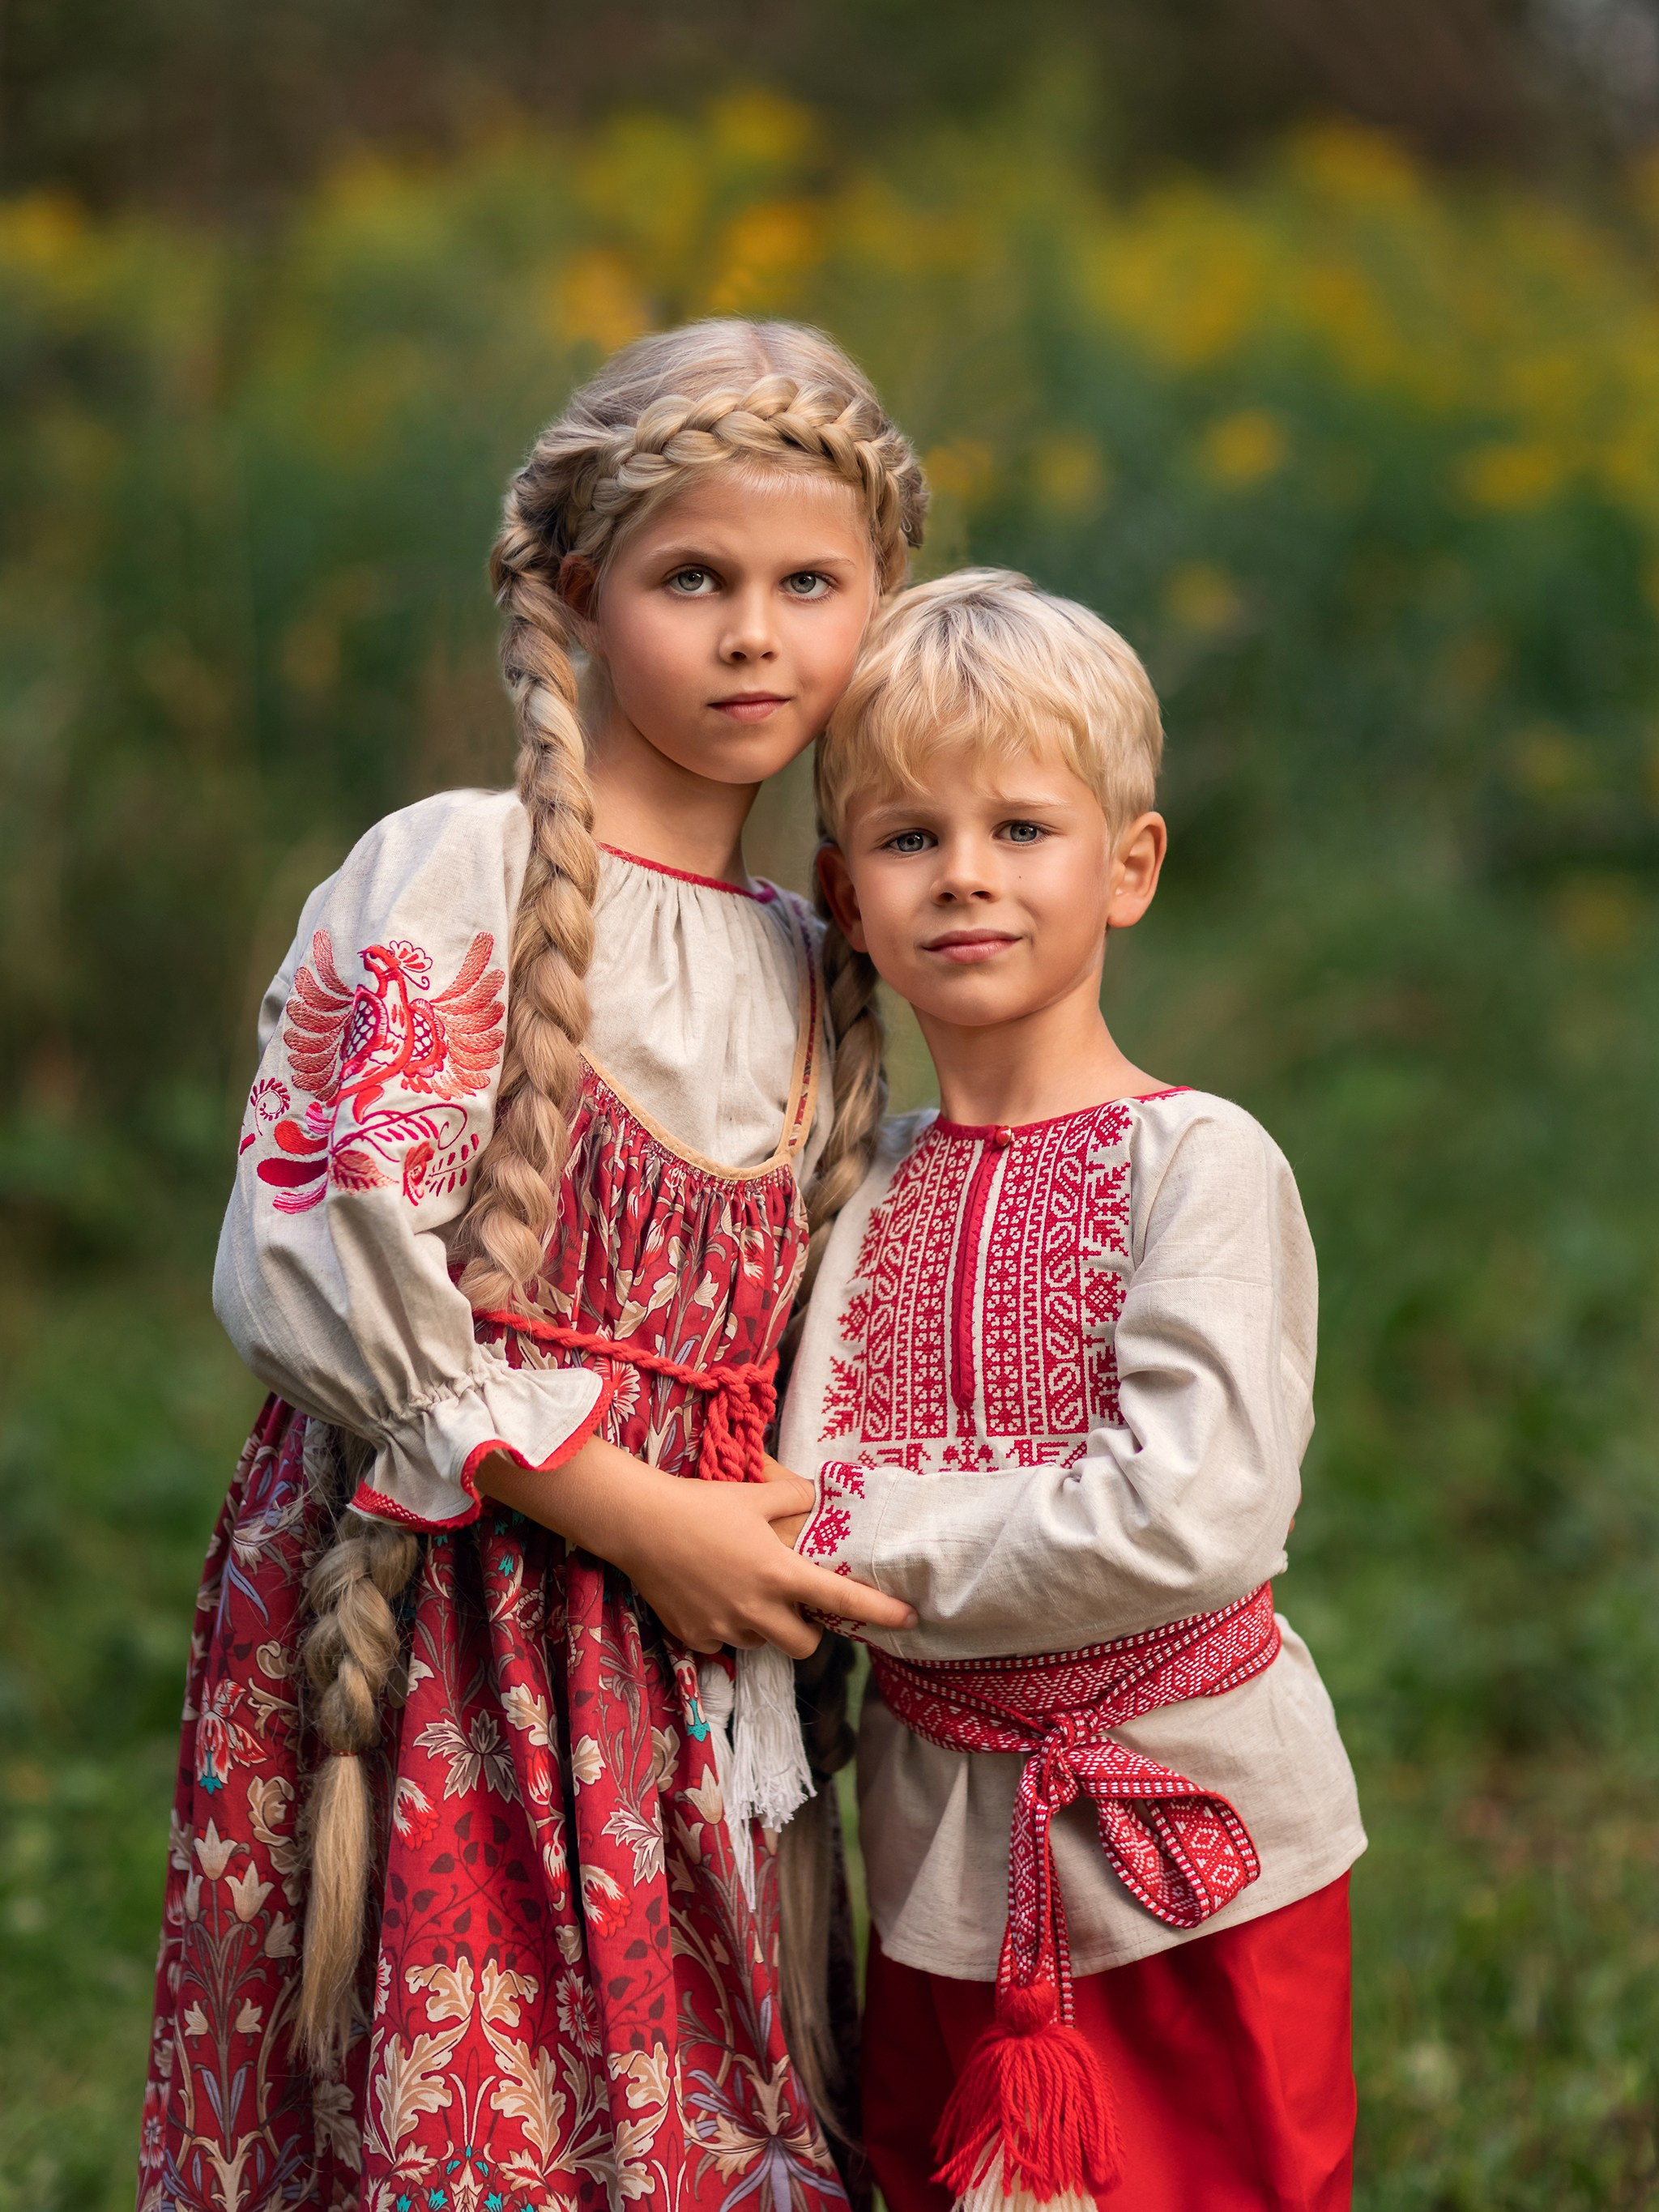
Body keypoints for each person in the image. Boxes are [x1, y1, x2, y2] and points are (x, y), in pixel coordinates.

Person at [138, 318, 925, 2212]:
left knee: (701, 2122)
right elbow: (311, 1243)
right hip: (450, 1617)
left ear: (878, 601)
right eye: (692, 579)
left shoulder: (824, 952)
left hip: (692, 1668)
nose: (753, 636)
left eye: (809, 584)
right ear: (576, 592)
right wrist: (625, 1507)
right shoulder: (463, 868)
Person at [778, 570, 1367, 2212]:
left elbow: (1183, 1515)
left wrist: (840, 1543)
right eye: (909, 837)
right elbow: (797, 1456)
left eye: (1022, 828)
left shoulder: (1201, 1163)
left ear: (1129, 866)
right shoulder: (854, 1192)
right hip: (941, 1854)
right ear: (842, 894)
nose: (964, 873)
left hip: (1194, 1844)